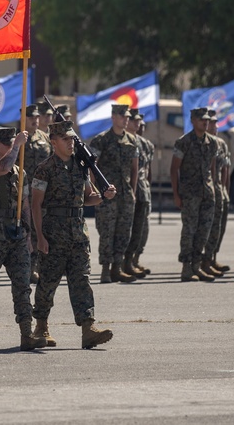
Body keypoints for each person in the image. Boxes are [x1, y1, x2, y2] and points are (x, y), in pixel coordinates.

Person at [31, 120, 115, 349]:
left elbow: (88, 197)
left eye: (71, 139)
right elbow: (36, 205)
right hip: (54, 232)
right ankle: (41, 326)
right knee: (48, 282)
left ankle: (88, 328)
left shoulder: (80, 166)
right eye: (65, 139)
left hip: (78, 232)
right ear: (53, 142)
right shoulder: (45, 168)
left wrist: (103, 196)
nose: (70, 143)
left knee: (82, 281)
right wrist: (39, 237)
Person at [0, 127, 46, 351]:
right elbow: (2, 168)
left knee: (22, 284)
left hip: (16, 234)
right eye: (6, 143)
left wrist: (28, 233)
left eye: (12, 143)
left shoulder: (20, 171)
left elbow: (24, 203)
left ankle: (26, 333)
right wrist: (16, 145)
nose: (11, 147)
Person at [90, 103, 139, 283]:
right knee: (106, 232)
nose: (126, 119)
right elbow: (92, 168)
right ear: (113, 118)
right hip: (107, 196)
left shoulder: (132, 140)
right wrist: (93, 192)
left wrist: (133, 192)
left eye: (127, 117)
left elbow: (134, 169)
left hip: (125, 195)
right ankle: (105, 269)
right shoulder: (101, 140)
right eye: (122, 116)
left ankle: (117, 268)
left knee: (123, 232)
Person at [171, 107, 218, 282]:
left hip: (207, 193)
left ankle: (197, 266)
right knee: (189, 231)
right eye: (201, 120)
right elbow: (174, 169)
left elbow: (212, 169)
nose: (205, 122)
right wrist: (176, 194)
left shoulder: (212, 143)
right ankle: (186, 267)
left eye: (207, 120)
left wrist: (213, 188)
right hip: (190, 195)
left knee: (203, 231)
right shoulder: (183, 142)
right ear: (193, 121)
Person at [22, 104, 51, 283]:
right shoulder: (18, 139)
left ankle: (41, 266)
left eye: (36, 117)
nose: (35, 120)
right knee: (28, 231)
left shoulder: (45, 138)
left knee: (42, 228)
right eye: (31, 117)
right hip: (24, 193)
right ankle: (29, 268)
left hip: (43, 193)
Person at [124, 109, 154, 278]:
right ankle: (122, 263)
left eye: (141, 123)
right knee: (125, 229)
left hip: (143, 191)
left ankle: (133, 260)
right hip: (126, 191)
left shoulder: (146, 144)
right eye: (136, 122)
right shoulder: (123, 141)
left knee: (141, 229)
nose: (139, 126)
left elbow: (148, 170)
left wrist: (147, 187)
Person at [202, 109, 230, 277]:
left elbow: (225, 169)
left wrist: (225, 190)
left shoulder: (221, 144)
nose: (215, 126)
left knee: (219, 227)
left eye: (215, 123)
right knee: (207, 227)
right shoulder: (203, 143)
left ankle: (212, 257)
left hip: (220, 191)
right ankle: (203, 261)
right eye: (212, 123)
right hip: (205, 191)